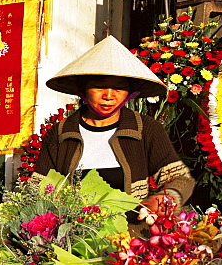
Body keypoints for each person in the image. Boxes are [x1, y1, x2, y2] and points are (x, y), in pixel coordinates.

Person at [32, 34, 194, 214]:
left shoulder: (145, 129)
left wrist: (168, 197)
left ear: (130, 92)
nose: (109, 95)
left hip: (131, 235)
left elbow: (179, 177)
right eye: (99, 86)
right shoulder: (62, 133)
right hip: (74, 235)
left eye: (119, 87)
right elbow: (38, 187)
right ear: (83, 89)